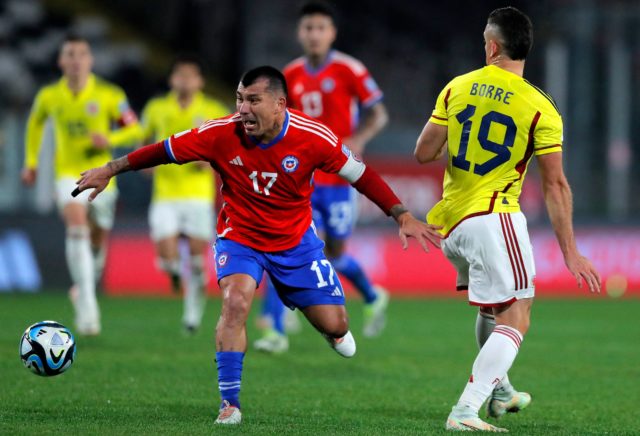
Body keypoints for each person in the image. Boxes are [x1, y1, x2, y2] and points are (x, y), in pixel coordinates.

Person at [73, 66, 442, 425]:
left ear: (280, 104)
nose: (243, 109)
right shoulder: (220, 133)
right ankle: (229, 404)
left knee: (337, 325)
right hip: (241, 238)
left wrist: (402, 215)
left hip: (296, 243)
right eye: (239, 99)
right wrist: (110, 168)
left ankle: (314, 312)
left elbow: (361, 175)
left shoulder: (314, 137)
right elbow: (161, 150)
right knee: (235, 303)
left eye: (253, 100)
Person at [415, 7, 601, 432]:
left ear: (493, 46)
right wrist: (570, 252)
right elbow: (555, 185)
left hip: (452, 224)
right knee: (518, 311)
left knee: (496, 307)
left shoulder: (457, 87)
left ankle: (501, 391)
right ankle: (465, 412)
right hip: (494, 216)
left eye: (485, 41)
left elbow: (424, 153)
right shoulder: (540, 107)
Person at [255, 1, 391, 353]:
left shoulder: (350, 69)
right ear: (300, 33)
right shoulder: (290, 74)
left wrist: (358, 140)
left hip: (340, 178)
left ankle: (373, 294)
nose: (314, 34)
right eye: (308, 28)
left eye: (320, 28)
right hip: (301, 178)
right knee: (284, 244)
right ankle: (274, 330)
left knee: (335, 254)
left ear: (332, 33)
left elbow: (379, 114)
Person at [21, 35, 141, 336]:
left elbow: (135, 129)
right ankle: (88, 306)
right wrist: (31, 162)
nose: (76, 60)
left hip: (101, 175)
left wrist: (109, 140)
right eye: (70, 54)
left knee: (97, 239)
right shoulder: (49, 96)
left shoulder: (109, 94)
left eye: (82, 54)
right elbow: (35, 124)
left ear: (91, 60)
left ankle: (87, 280)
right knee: (77, 226)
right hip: (66, 175)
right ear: (61, 61)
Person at [140, 55, 228, 333]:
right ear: (172, 79)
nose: (185, 81)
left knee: (197, 258)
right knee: (166, 257)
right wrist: (146, 163)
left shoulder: (212, 108)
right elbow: (143, 140)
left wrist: (212, 160)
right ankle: (174, 274)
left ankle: (192, 316)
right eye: (180, 75)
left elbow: (226, 146)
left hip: (197, 196)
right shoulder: (156, 108)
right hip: (165, 194)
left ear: (200, 81)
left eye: (191, 76)